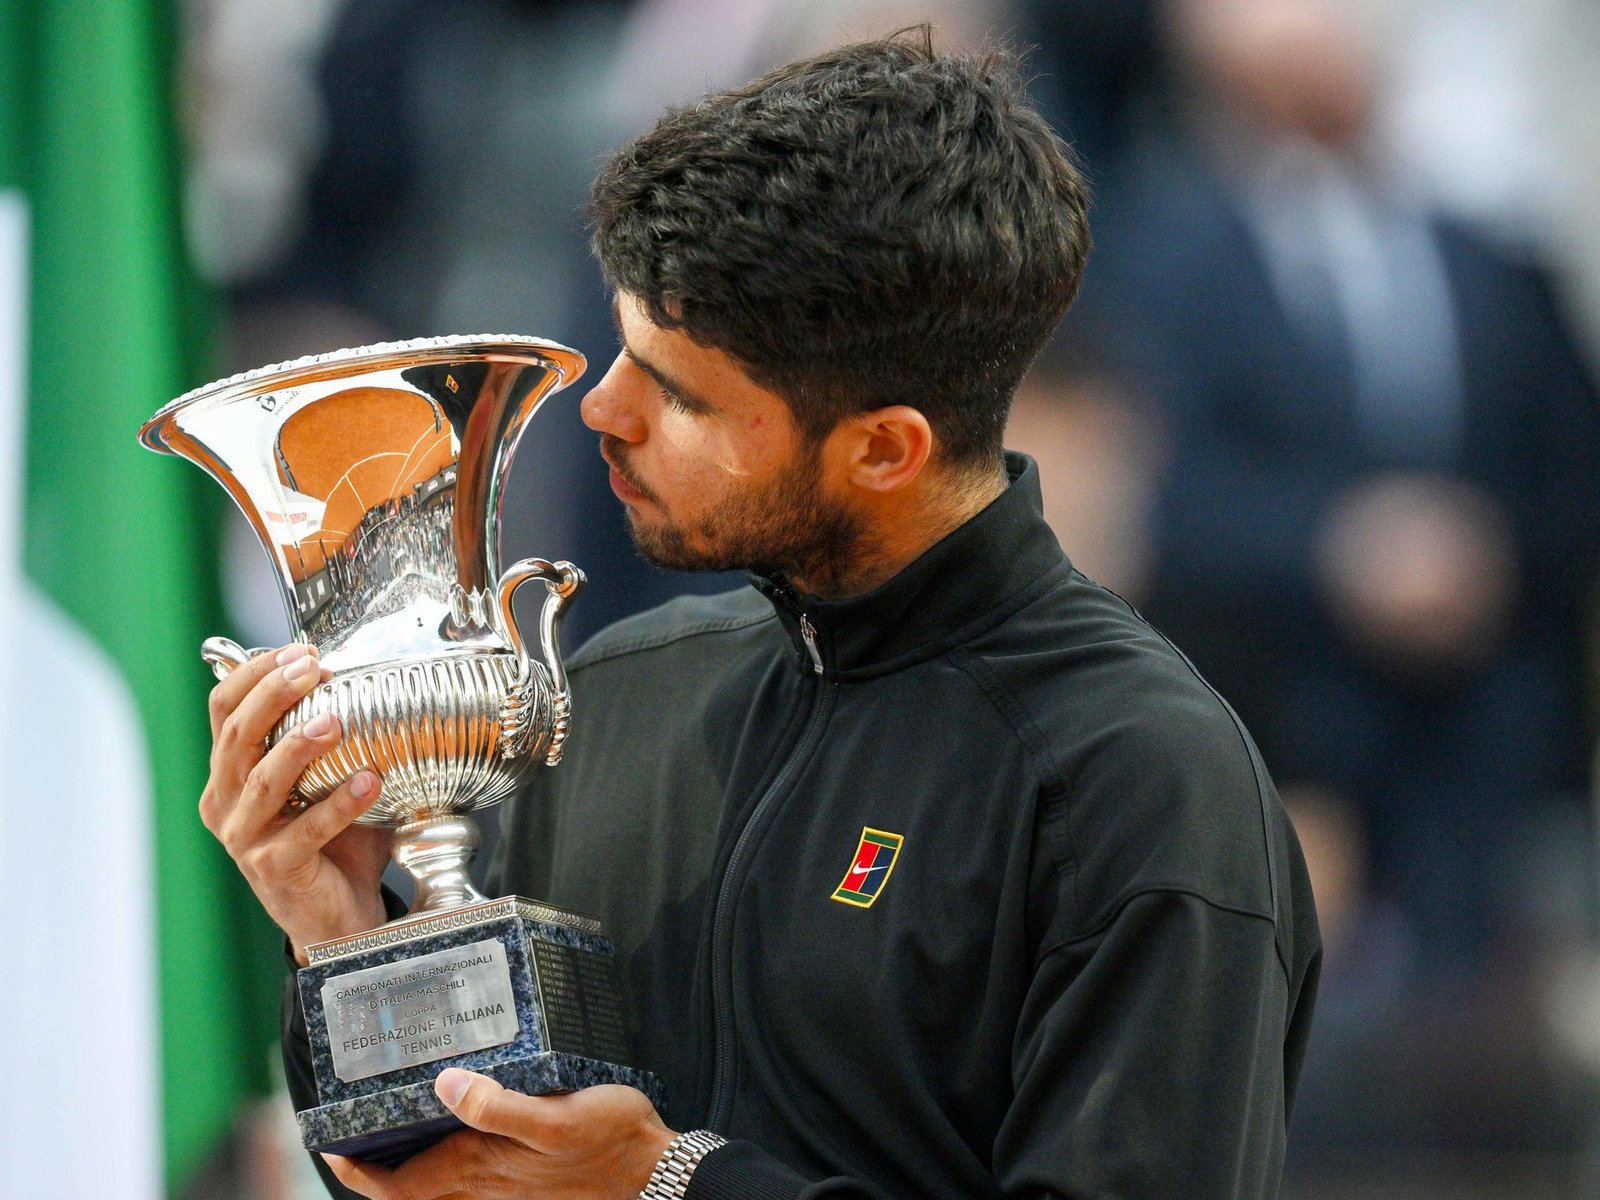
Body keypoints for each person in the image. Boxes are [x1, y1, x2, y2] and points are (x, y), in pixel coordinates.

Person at [201, 31, 1320, 1199]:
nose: (601, 410)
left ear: (884, 449)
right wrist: (348, 944)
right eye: (621, 345)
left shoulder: (1141, 780)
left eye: (677, 391)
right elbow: (458, 1180)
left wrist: (670, 1182)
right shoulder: (619, 693)